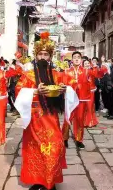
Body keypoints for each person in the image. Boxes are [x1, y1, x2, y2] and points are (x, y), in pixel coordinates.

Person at [14, 32, 72, 190]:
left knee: (55, 147)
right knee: (35, 151)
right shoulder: (28, 75)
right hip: (34, 119)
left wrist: (64, 89)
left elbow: (71, 87)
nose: (43, 57)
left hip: (51, 117)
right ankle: (39, 181)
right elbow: (18, 92)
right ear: (36, 55)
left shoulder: (56, 74)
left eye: (46, 54)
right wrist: (35, 91)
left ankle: (50, 181)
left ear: (50, 57)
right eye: (40, 54)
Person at [62, 51, 104, 149]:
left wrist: (96, 66)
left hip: (81, 99)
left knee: (80, 120)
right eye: (75, 57)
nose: (76, 59)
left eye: (78, 57)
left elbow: (98, 75)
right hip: (70, 99)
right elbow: (63, 83)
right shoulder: (67, 71)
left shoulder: (86, 71)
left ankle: (79, 140)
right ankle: (64, 139)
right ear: (72, 60)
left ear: (81, 60)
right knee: (67, 119)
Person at [83, 60, 99, 127]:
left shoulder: (91, 71)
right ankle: (84, 121)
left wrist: (95, 67)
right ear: (83, 65)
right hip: (83, 92)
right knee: (84, 107)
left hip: (90, 91)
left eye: (88, 63)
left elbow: (96, 75)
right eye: (85, 63)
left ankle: (90, 122)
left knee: (90, 106)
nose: (87, 64)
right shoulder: (81, 72)